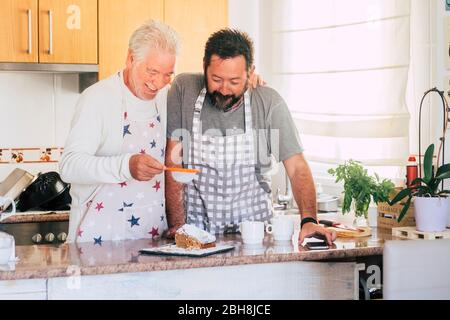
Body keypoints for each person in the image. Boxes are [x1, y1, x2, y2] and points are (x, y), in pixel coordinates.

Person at [165, 29, 336, 245]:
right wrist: (180, 228)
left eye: (235, 81)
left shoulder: (268, 102)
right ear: (204, 67)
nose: (224, 90)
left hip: (255, 237)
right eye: (216, 79)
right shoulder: (184, 89)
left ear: (250, 71)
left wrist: (309, 220)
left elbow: (296, 167)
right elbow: (174, 164)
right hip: (197, 237)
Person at [60, 20, 180, 244]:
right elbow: (69, 166)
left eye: (167, 74)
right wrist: (126, 166)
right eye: (152, 71)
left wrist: (250, 84)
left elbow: (209, 83)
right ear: (130, 58)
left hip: (151, 240)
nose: (159, 83)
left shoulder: (167, 98)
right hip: (98, 239)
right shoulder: (97, 98)